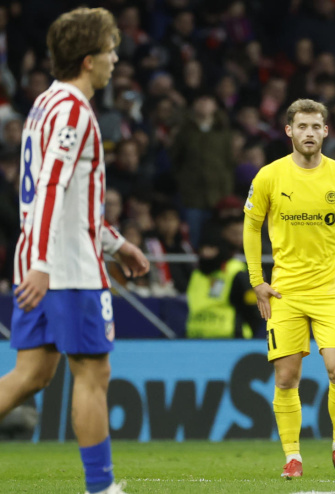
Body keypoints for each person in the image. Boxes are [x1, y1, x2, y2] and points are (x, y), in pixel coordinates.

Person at [0, 8, 149, 494]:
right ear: (88, 60)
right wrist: (44, 265)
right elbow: (51, 189)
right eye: (109, 51)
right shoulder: (72, 111)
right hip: (64, 268)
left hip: (45, 256)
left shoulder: (45, 103)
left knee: (30, 374)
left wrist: (116, 242)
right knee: (93, 373)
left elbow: (72, 199)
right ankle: (101, 488)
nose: (114, 59)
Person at [243, 98, 335, 479]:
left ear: (326, 131)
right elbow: (251, 227)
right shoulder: (269, 176)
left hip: (331, 291)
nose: (309, 133)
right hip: (285, 292)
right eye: (302, 127)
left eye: (316, 127)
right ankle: (292, 456)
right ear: (289, 131)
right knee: (286, 378)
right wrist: (257, 281)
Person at [186, 227, 263, 339]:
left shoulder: (235, 271)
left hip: (231, 338)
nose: (206, 253)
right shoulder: (197, 274)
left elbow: (252, 308)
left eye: (211, 248)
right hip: (196, 337)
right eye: (203, 248)